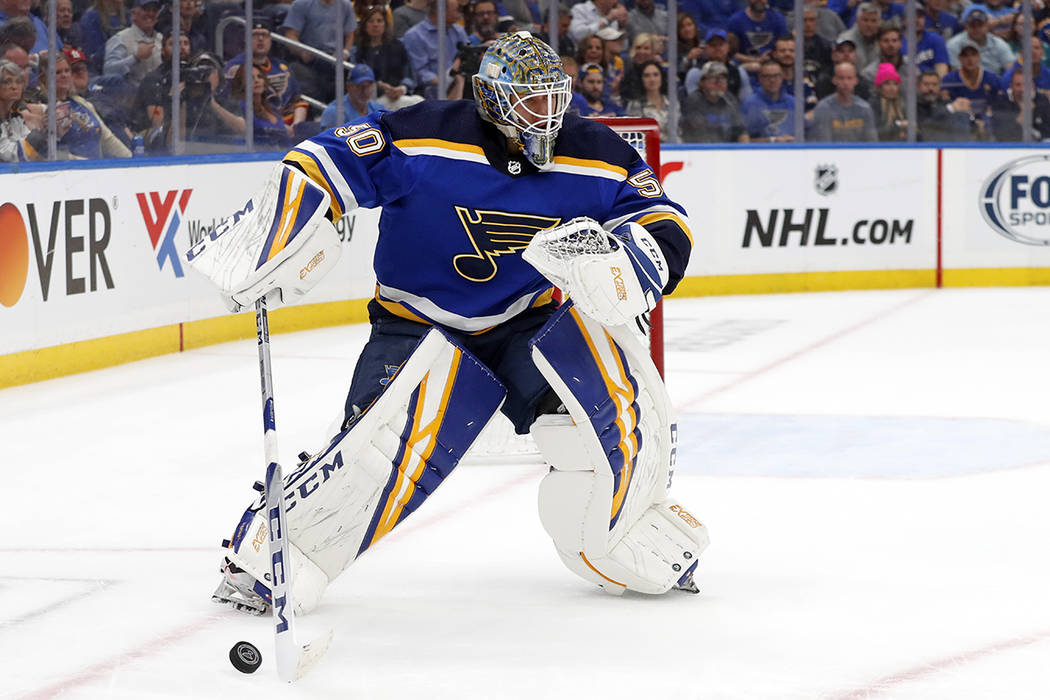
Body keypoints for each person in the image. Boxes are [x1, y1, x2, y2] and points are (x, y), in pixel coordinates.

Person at [199, 32, 705, 617]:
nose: (547, 115)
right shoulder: (424, 133)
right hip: (415, 323)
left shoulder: (596, 150)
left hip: (527, 323)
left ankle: (625, 534)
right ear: (491, 98)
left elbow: (663, 216)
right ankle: (271, 553)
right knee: (376, 452)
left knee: (607, 418)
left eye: (553, 98)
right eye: (529, 101)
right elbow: (322, 160)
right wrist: (285, 221)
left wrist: (636, 259)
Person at [38, 50, 131, 158]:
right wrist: (85, 165)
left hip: (95, 169)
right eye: (57, 72)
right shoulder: (41, 109)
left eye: (67, 70)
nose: (64, 75)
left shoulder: (82, 103)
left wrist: (131, 160)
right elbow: (46, 152)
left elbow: (107, 139)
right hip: (69, 171)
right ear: (44, 77)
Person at [225, 18, 309, 127]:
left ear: (270, 40)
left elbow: (298, 101)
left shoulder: (281, 66)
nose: (260, 39)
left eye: (264, 35)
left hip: (290, 126)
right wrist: (279, 127)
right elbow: (235, 105)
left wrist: (296, 126)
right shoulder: (235, 68)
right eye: (255, 35)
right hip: (260, 127)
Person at [281, 0, 359, 103]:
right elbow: (290, 35)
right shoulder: (301, 4)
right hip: (309, 60)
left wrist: (345, 52)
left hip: (335, 60)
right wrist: (301, 51)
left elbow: (350, 35)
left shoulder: (345, 4)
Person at [350, 6, 420, 110]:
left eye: (379, 21)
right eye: (371, 21)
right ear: (364, 25)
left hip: (399, 95)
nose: (375, 25)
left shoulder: (398, 46)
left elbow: (409, 75)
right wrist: (380, 86)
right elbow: (357, 78)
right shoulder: (357, 51)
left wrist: (402, 88)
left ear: (385, 24)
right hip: (371, 99)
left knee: (418, 101)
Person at [401, 0, 468, 100]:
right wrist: (448, 81)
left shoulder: (459, 31)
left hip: (463, 86)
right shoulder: (414, 36)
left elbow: (469, 57)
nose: (459, 15)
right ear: (440, 11)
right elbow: (420, 73)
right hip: (431, 94)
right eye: (456, 10)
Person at [941, 40, 1002, 134]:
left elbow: (1000, 105)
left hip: (988, 123)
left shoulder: (992, 79)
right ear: (959, 58)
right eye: (965, 55)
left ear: (979, 57)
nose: (970, 59)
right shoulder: (949, 80)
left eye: (973, 54)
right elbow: (944, 105)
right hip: (959, 123)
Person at [680, 61, 749, 142]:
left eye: (723, 79)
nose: (719, 83)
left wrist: (744, 149)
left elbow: (741, 131)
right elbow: (700, 136)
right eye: (713, 79)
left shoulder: (730, 99)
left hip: (728, 150)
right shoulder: (693, 101)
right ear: (702, 82)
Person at [231, 63, 295, 149]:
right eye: (251, 78)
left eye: (259, 77)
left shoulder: (272, 109)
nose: (256, 81)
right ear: (241, 83)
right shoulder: (242, 107)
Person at [102, 0, 162, 91]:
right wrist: (135, 58)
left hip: (159, 97)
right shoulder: (120, 39)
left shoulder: (161, 39)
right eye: (146, 9)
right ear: (134, 14)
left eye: (154, 10)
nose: (150, 13)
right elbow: (108, 71)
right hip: (129, 99)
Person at [810, 60, 877, 140]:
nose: (845, 83)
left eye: (849, 78)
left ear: (856, 81)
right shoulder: (823, 108)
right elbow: (824, 144)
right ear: (834, 80)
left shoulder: (865, 109)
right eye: (841, 78)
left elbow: (871, 143)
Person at [0, 56, 48, 161]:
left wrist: (49, 132)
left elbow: (29, 147)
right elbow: (8, 156)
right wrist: (42, 135)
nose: (14, 86)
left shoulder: (15, 116)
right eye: (7, 82)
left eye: (18, 82)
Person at [946, 5, 1015, 74]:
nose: (977, 29)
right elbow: (956, 74)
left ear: (987, 26)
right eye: (972, 25)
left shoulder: (998, 43)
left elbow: (1011, 70)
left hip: (994, 82)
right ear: (966, 26)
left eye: (980, 25)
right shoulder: (954, 44)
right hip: (964, 82)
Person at [727, 0, 789, 73]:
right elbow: (730, 53)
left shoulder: (778, 19)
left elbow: (786, 45)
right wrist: (755, 60)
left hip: (773, 66)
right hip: (746, 66)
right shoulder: (735, 21)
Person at [741, 59, 795, 141]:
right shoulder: (750, 104)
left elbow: (804, 134)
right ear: (760, 78)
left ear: (782, 77)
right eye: (767, 76)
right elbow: (744, 140)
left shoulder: (793, 102)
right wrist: (772, 140)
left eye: (776, 76)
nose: (772, 80)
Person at [319, 62, 386, 127]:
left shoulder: (379, 109)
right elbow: (329, 138)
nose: (364, 90)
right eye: (359, 86)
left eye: (368, 85)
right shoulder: (334, 112)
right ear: (348, 87)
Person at [990, 68, 1050, 141]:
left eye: (1026, 85)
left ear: (1033, 85)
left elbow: (1047, 129)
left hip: (1038, 146)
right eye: (1018, 85)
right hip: (1011, 146)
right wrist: (1023, 113)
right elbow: (1002, 133)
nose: (1022, 89)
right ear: (1011, 86)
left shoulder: (1041, 99)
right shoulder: (1001, 101)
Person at [915, 69, 974, 140]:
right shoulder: (913, 106)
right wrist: (950, 109)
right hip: (923, 148)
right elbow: (925, 125)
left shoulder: (947, 103)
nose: (930, 88)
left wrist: (970, 115)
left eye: (934, 84)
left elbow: (967, 128)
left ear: (940, 86)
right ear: (918, 86)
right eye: (926, 84)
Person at [624, 59, 670, 139]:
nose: (652, 79)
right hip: (649, 149)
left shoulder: (672, 103)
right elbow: (635, 136)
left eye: (656, 75)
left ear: (661, 77)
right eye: (647, 75)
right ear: (641, 79)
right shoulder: (635, 105)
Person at [79, 0, 128, 74]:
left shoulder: (128, 14)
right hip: (101, 72)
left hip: (127, 67)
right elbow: (94, 56)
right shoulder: (91, 17)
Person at [837, 2, 881, 70]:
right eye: (865, 20)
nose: (869, 25)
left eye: (873, 21)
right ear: (857, 20)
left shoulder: (884, 39)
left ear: (879, 22)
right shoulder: (845, 39)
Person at [870, 62, 907, 141]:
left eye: (895, 84)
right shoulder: (873, 105)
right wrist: (900, 125)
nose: (892, 88)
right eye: (887, 84)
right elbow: (876, 131)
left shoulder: (903, 104)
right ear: (879, 87)